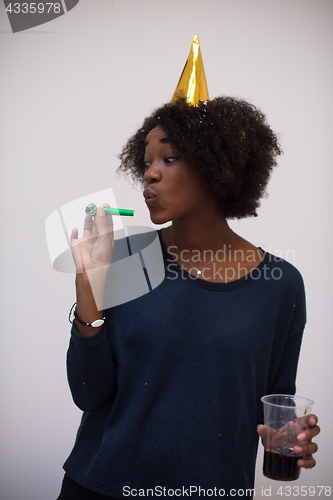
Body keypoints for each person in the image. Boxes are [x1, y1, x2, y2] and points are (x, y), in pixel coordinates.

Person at [57, 97, 320, 500]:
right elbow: (88, 394)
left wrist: (287, 438)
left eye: (169, 158)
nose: (150, 175)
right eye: (145, 162)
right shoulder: (124, 257)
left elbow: (275, 406)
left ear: (217, 164)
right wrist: (88, 287)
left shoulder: (281, 285)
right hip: (100, 487)